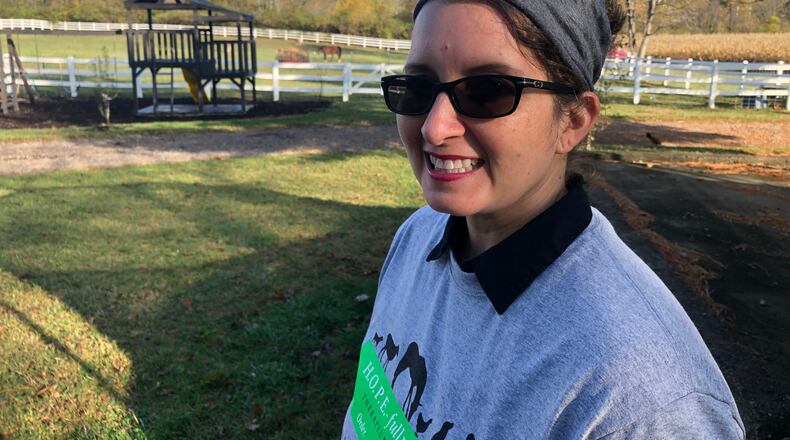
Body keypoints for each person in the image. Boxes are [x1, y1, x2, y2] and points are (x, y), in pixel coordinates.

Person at [342, 0, 745, 438]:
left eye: (487, 90)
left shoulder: (640, 400)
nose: (434, 128)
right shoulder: (416, 238)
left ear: (572, 121)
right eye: (418, 88)